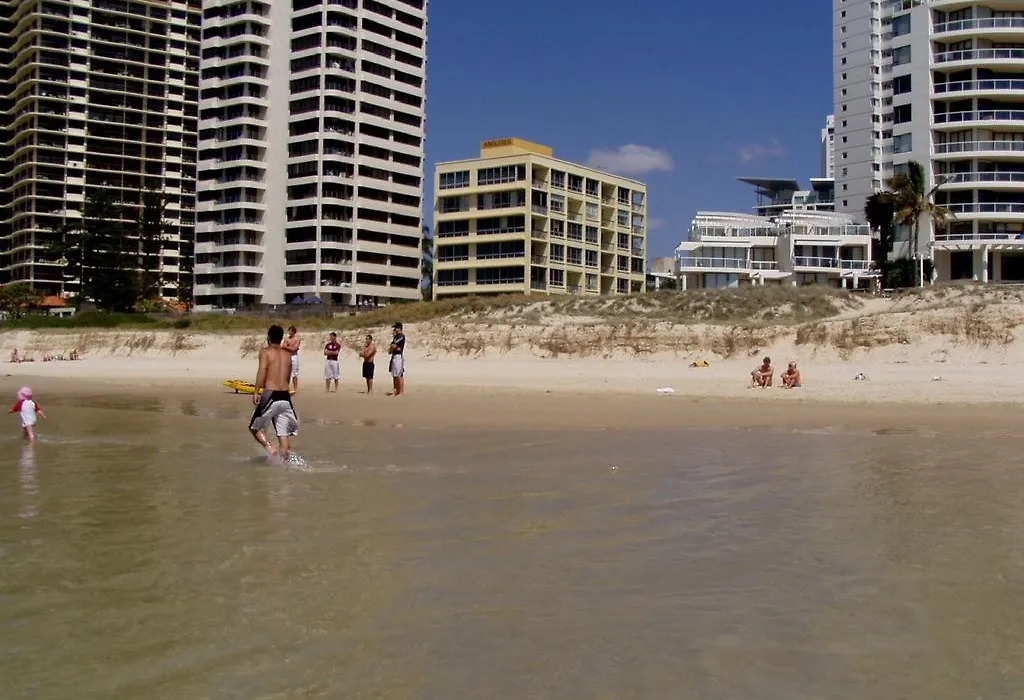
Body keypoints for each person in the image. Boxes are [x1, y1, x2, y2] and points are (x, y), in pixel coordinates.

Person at [249, 325, 299, 461]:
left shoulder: (266, 352)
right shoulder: (288, 354)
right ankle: (286, 461)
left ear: (268, 338)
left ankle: (271, 449)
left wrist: (256, 391)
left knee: (254, 427)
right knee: (283, 432)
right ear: (282, 338)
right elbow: (288, 376)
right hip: (285, 396)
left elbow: (262, 371)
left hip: (271, 394)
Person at [388, 322, 406, 397]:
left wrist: (393, 347)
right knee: (394, 375)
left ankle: (401, 392)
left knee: (399, 375)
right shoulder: (395, 337)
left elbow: (394, 346)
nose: (394, 330)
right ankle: (395, 390)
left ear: (399, 328)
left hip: (399, 356)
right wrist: (392, 348)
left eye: (395, 328)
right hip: (394, 356)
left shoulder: (401, 336)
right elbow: (391, 347)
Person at [282, 325, 301, 393]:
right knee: (286, 373)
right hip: (287, 356)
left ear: (294, 332)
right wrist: (287, 347)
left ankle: (295, 388)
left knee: (295, 373)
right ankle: (286, 388)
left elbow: (294, 349)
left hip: (294, 356)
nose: (289, 332)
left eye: (290, 331)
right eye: (289, 331)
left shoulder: (297, 339)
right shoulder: (286, 339)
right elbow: (283, 347)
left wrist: (286, 347)